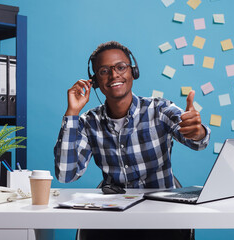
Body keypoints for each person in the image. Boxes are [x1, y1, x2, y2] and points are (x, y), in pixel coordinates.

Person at [54, 41, 211, 239]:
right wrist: (72, 114)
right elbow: (66, 175)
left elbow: (198, 141)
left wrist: (197, 132)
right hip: (112, 216)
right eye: (104, 71)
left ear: (133, 72)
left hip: (162, 215)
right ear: (94, 80)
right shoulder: (88, 122)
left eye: (121, 67)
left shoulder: (160, 109)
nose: (114, 75)